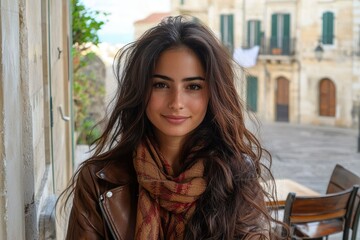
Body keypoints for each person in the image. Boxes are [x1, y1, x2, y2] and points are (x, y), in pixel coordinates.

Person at [61, 15, 286, 240]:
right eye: (161, 84)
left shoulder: (238, 174)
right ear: (141, 91)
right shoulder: (99, 181)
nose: (176, 102)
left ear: (213, 94)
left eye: (193, 86)